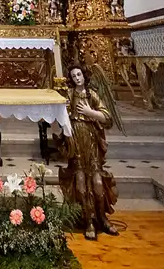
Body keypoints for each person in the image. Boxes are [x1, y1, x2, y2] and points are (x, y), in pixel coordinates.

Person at [59, 65, 119, 240]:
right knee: (80, 184)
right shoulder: (70, 95)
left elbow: (107, 117)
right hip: (76, 142)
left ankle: (102, 218)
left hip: (91, 143)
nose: (77, 78)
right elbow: (62, 115)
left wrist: (89, 112)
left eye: (79, 74)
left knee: (98, 184)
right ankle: (88, 221)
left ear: (84, 76)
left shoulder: (92, 95)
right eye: (74, 75)